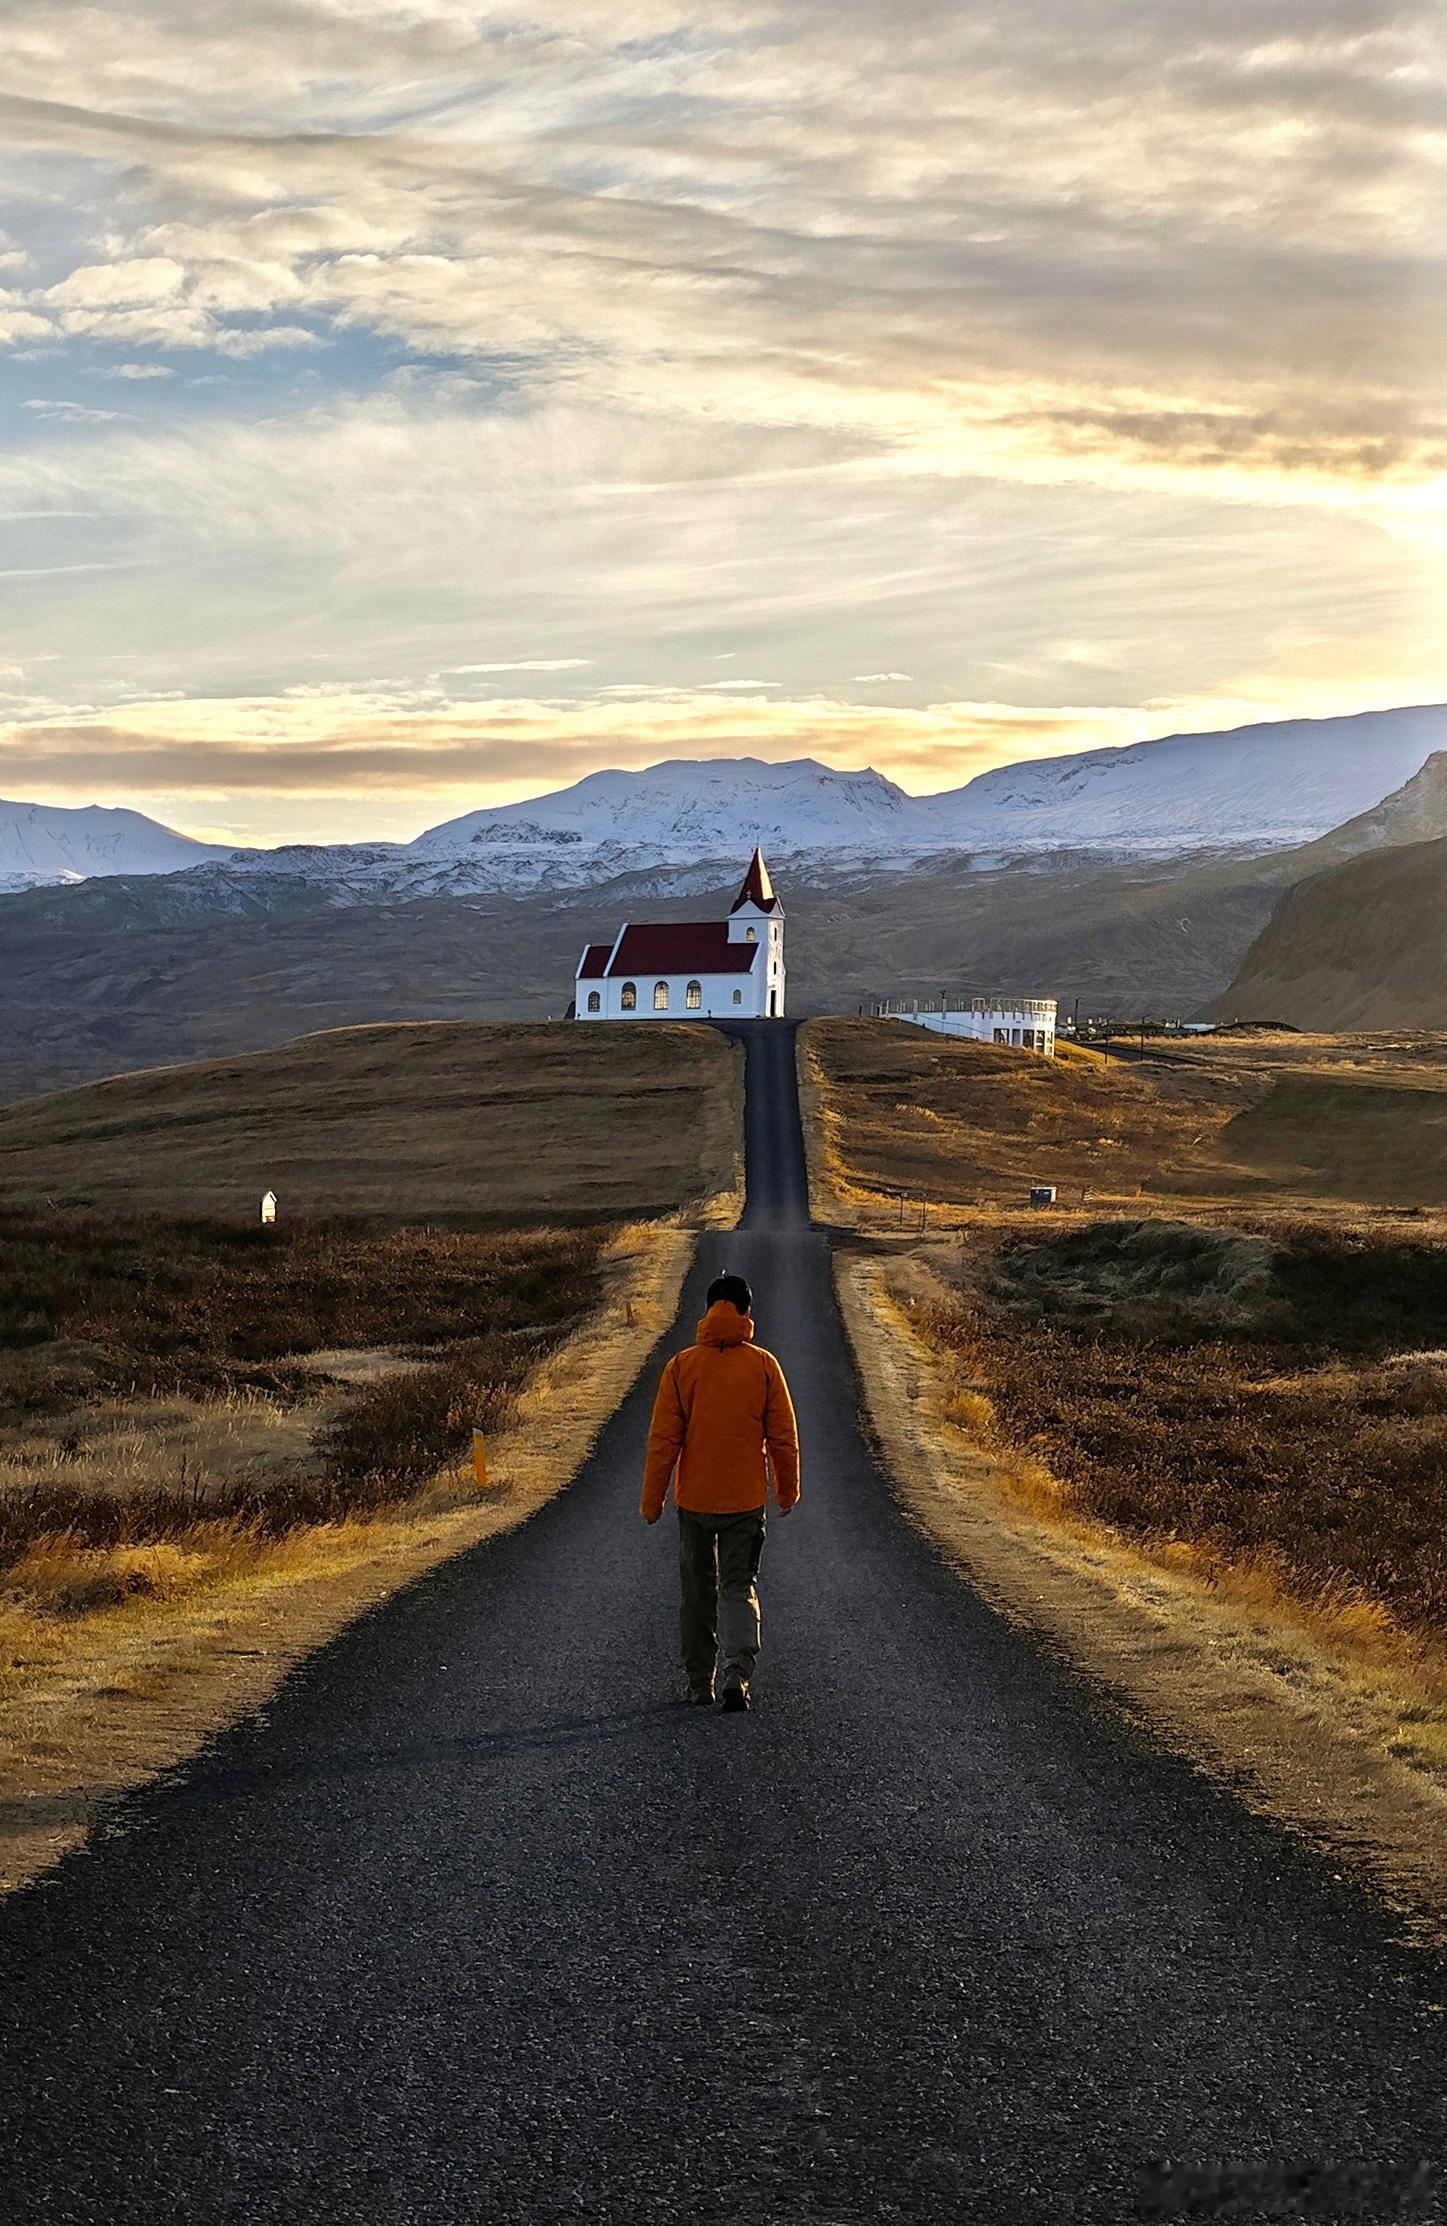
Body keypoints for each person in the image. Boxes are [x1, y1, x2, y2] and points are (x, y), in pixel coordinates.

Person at [640, 1269, 800, 1711]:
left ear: (708, 1310)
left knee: (696, 1590)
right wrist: (786, 1492)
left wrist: (652, 1502)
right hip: (745, 1501)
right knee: (737, 1585)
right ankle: (738, 1673)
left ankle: (698, 1681)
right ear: (748, 1313)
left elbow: (663, 1441)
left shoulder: (681, 1367)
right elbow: (784, 1438)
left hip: (694, 1501)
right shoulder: (765, 1366)